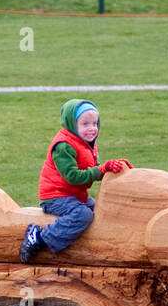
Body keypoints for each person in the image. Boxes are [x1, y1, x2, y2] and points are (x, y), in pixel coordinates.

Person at [19, 99, 134, 263]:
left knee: (100, 210)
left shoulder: (87, 143)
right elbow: (72, 177)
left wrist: (112, 169)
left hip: (75, 195)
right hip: (55, 196)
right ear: (72, 124)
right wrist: (101, 170)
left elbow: (94, 170)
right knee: (83, 215)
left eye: (95, 123)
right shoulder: (63, 146)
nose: (92, 128)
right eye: (85, 124)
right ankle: (39, 237)